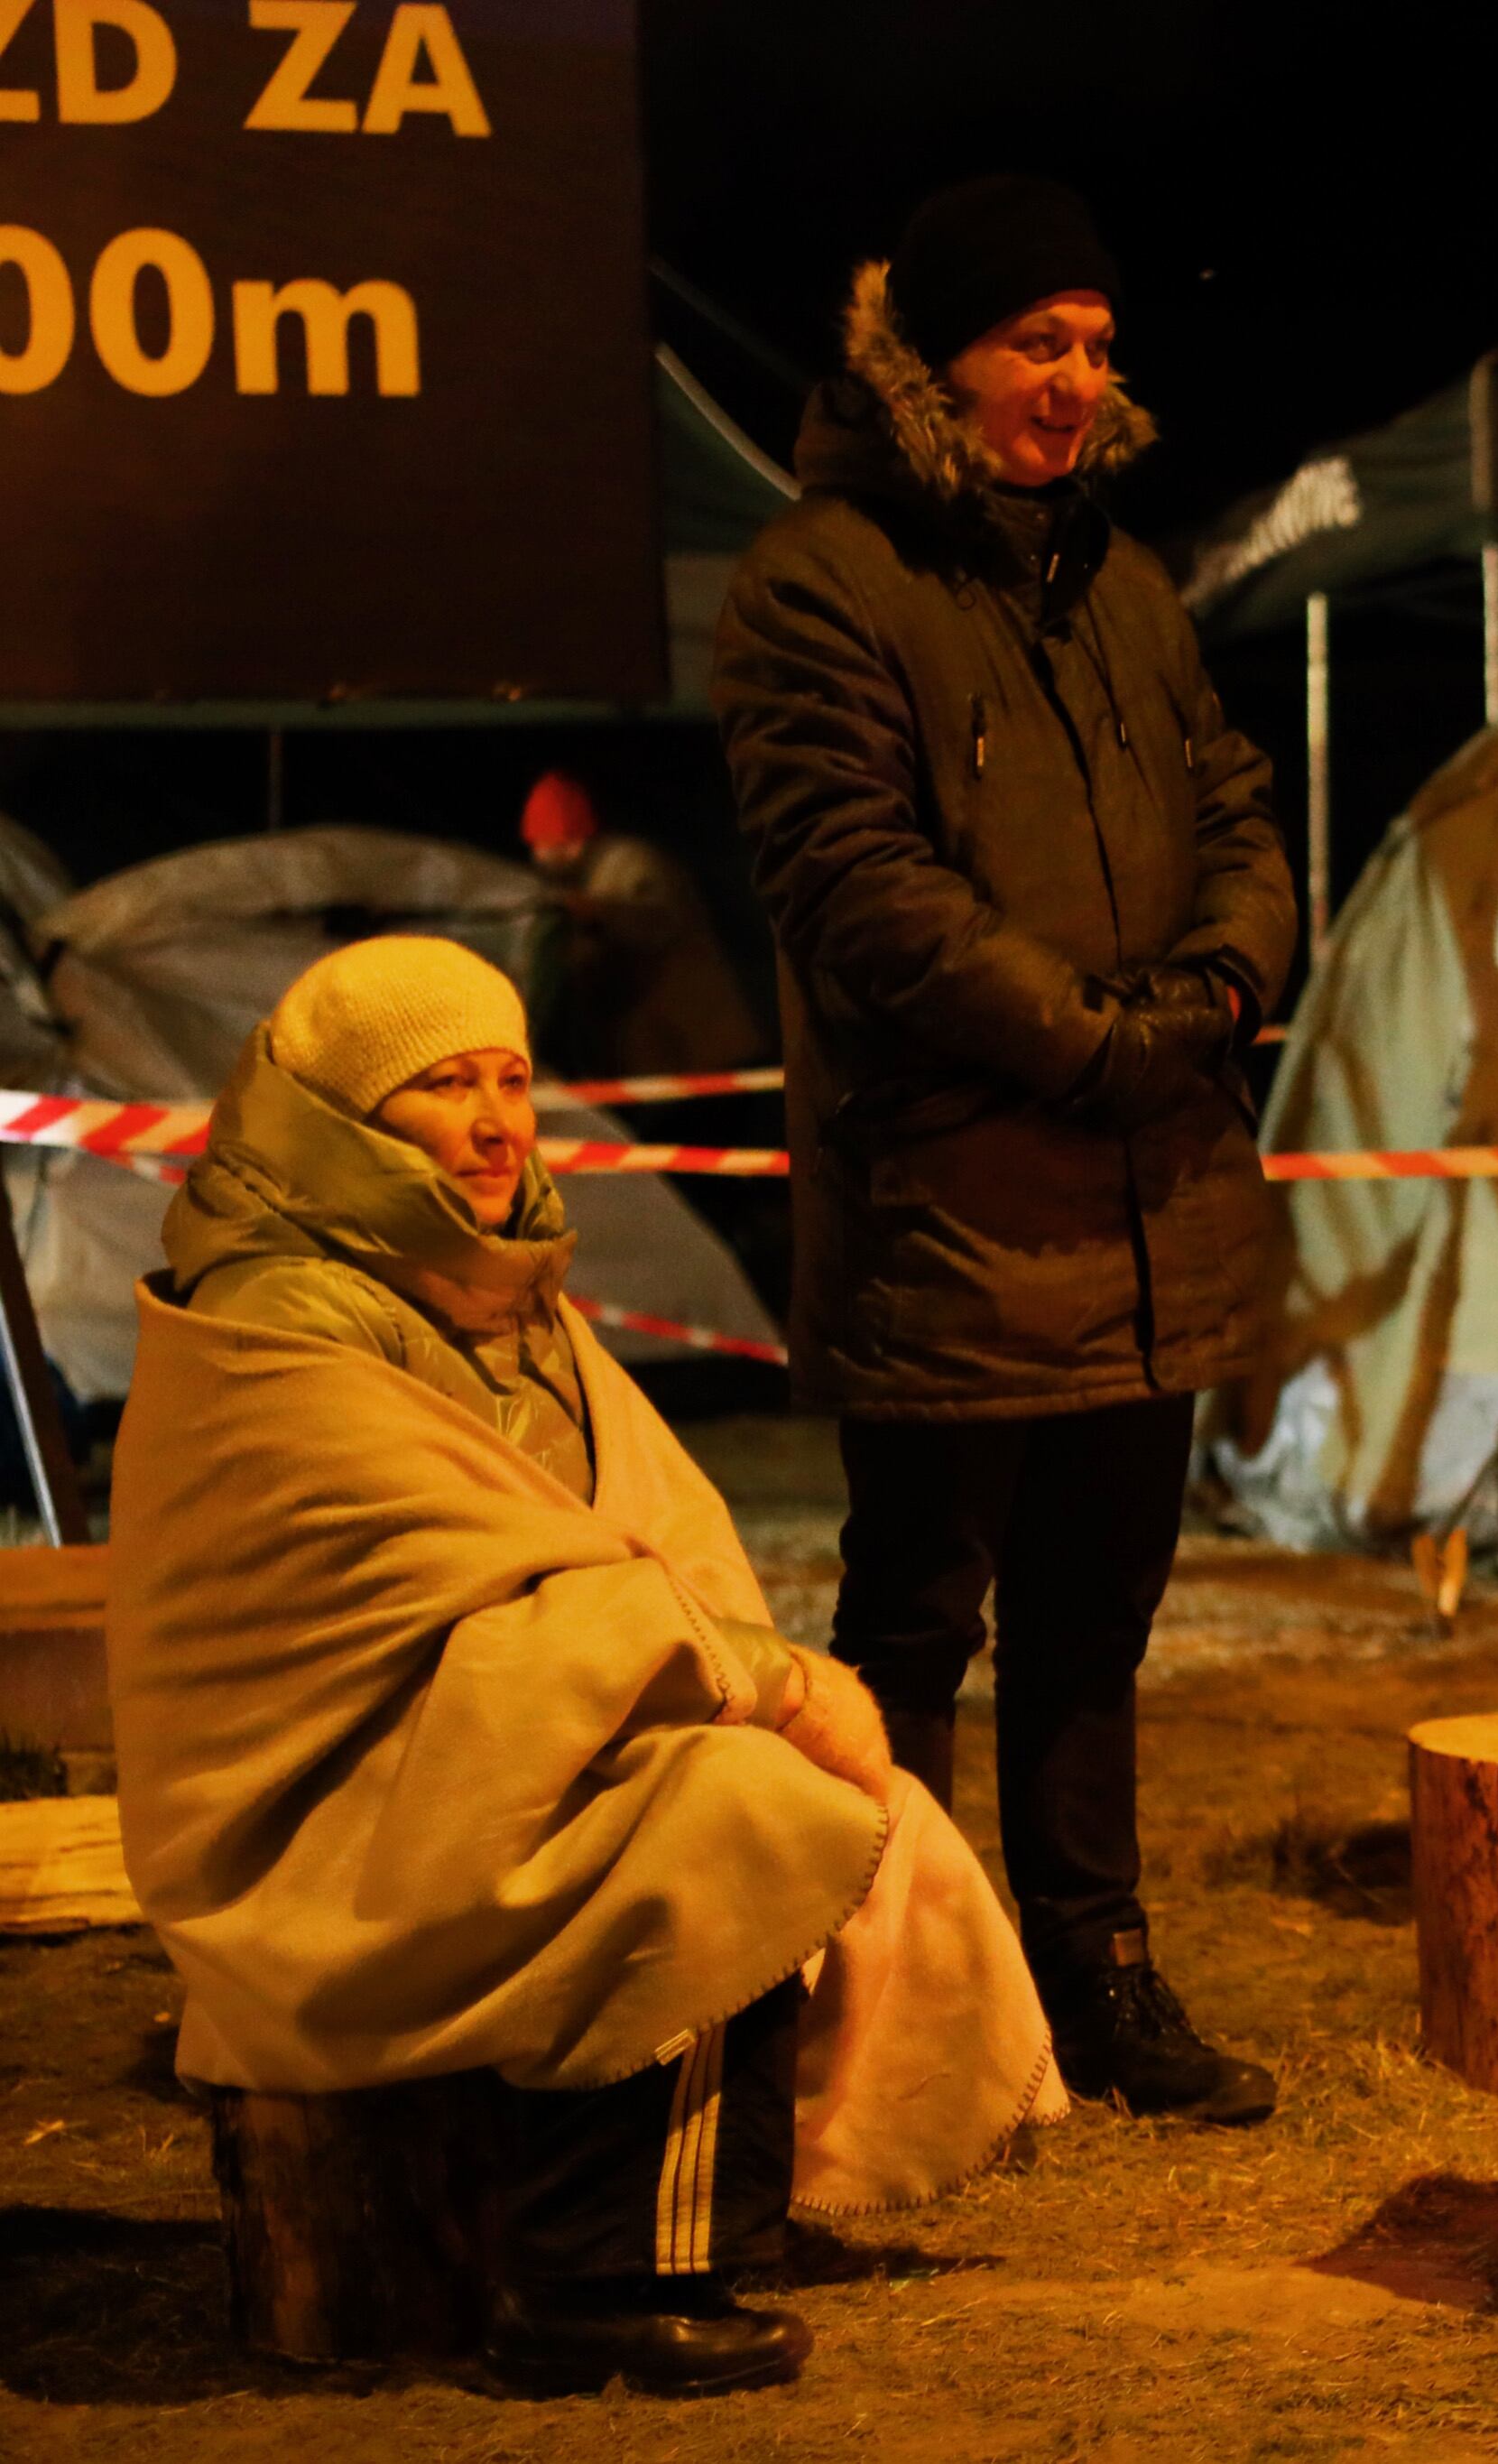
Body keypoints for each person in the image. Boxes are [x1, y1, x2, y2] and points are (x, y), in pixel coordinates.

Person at [108, 937, 1066, 2399]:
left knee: (756, 1791)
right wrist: (771, 1685)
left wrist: (704, 1668)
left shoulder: (485, 1287)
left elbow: (627, 1547)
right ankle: (604, 2278)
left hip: (480, 1752)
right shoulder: (282, 1318)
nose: (499, 1125)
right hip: (329, 1823)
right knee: (731, 1816)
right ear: (348, 1117)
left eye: (512, 1080)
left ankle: (711, 2227)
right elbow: (414, 1614)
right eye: (445, 1088)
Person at [712, 178, 1299, 2126]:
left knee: (1097, 1620)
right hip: (952, 1204)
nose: (1073, 379)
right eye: (1034, 341)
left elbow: (1233, 804)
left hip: (1149, 1203)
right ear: (931, 360)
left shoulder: (1122, 583)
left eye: (1095, 345)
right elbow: (854, 885)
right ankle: (899, 2005)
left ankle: (1094, 1978)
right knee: (914, 1628)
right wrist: (1092, 1046)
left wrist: (1214, 992)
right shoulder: (818, 576)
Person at [520, 768, 769, 1080]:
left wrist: (595, 911)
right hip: (659, 1050)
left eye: (545, 844)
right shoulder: (585, 877)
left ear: (569, 838)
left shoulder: (628, 864)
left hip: (695, 1040)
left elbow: (656, 922)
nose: (539, 856)